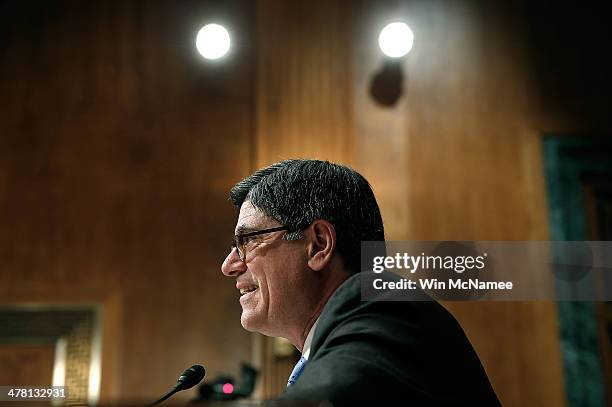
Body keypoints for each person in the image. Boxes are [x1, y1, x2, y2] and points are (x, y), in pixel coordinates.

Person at [221, 159, 500, 406]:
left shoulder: (386, 305)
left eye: (248, 240)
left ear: (318, 245)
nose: (229, 265)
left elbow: (339, 388)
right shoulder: (343, 334)